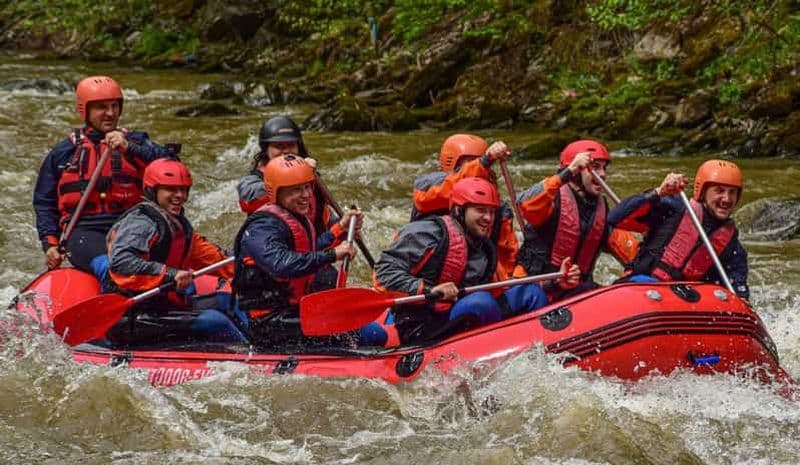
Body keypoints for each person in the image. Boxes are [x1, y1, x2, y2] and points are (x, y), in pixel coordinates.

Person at [369, 177, 579, 346]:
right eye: (480, 210)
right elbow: (383, 274)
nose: (488, 218)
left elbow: (498, 287)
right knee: (480, 302)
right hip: (421, 324)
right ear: (459, 210)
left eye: (491, 212)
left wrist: (555, 282)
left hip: (459, 315)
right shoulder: (427, 234)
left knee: (529, 292)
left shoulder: (484, 247)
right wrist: (427, 289)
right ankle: (497, 351)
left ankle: (540, 350)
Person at [33, 75, 178, 277]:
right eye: (102, 107)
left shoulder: (136, 142)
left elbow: (174, 168)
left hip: (131, 226)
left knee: (137, 265)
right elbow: (44, 202)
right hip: (83, 232)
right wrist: (50, 244)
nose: (110, 113)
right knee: (109, 269)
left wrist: (130, 148)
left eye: (114, 106)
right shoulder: (64, 151)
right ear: (86, 110)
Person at [103, 159, 244, 345]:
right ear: (153, 190)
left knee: (230, 301)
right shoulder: (141, 222)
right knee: (215, 321)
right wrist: (170, 274)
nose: (180, 196)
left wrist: (246, 264)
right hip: (133, 314)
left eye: (184, 189)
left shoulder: (177, 224)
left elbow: (209, 257)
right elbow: (121, 261)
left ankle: (262, 344)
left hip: (165, 305)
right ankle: (253, 357)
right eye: (171, 190)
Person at [232, 155, 359, 349]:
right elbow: (282, 264)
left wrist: (340, 228)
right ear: (275, 193)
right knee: (342, 330)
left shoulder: (295, 216)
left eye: (308, 187)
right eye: (296, 190)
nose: (306, 195)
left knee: (355, 326)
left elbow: (309, 248)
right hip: (268, 322)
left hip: (292, 309)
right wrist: (332, 255)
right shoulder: (263, 227)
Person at [514, 139, 639, 300]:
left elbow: (626, 246)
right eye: (594, 168)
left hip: (576, 291)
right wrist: (568, 171)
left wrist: (642, 267)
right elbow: (524, 203)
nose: (602, 174)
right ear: (575, 172)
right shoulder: (551, 200)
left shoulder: (600, 208)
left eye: (603, 168)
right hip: (535, 289)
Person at [607, 159, 750, 298]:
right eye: (719, 191)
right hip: (643, 286)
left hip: (686, 300)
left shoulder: (733, 247)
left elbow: (738, 292)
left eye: (732, 192)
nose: (726, 199)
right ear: (702, 192)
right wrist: (658, 192)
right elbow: (615, 218)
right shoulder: (672, 208)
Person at [411, 134, 518, 279]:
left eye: (477, 163)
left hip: (475, 275)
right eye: (468, 165)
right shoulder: (431, 186)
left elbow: (506, 253)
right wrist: (484, 162)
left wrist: (509, 283)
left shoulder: (496, 205)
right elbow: (451, 188)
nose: (475, 170)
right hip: (431, 274)